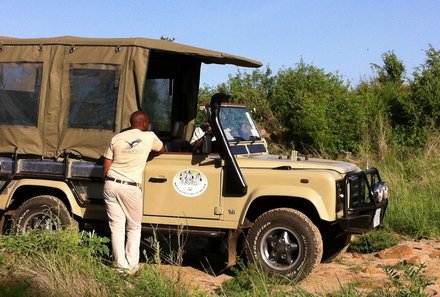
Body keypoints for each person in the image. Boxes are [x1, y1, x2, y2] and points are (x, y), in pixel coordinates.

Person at [102, 111, 164, 274]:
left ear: (131, 123)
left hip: (111, 184)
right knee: (134, 227)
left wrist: (109, 184)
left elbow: (106, 166)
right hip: (130, 187)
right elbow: (161, 149)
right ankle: (131, 266)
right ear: (144, 124)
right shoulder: (149, 136)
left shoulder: (117, 138)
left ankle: (120, 266)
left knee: (116, 227)